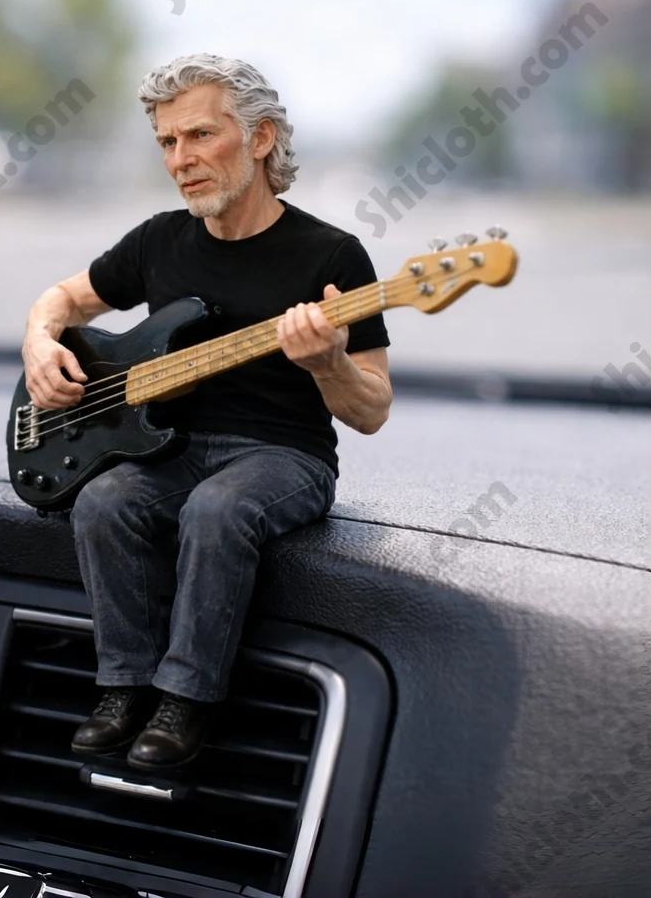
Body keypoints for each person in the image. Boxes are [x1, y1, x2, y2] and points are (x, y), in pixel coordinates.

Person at [20, 53, 392, 771]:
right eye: (167, 142)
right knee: (103, 501)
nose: (180, 160)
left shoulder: (333, 256)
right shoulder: (159, 241)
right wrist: (39, 342)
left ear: (260, 138)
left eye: (200, 135)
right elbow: (62, 299)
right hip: (170, 448)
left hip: (284, 456)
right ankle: (124, 687)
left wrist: (328, 363)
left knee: (218, 509)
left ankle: (187, 698)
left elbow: (372, 408)